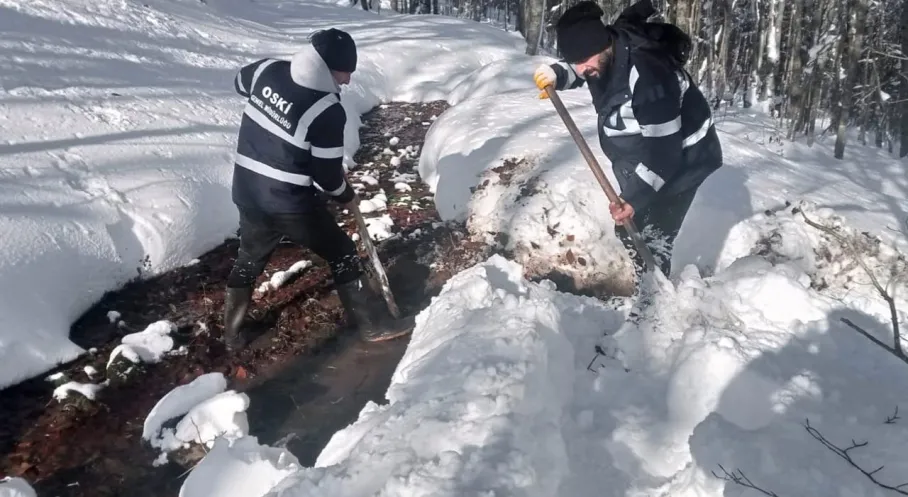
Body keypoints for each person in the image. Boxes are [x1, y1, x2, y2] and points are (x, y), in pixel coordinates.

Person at [224, 28, 413, 349]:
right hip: (289, 204)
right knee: (341, 252)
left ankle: (233, 335)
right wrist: (345, 194)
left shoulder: (267, 70)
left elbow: (240, 82)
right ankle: (371, 326)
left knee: (249, 257)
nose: (347, 81)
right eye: (344, 72)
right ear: (326, 67)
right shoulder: (327, 110)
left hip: (247, 190)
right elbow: (326, 177)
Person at [533, 0, 723, 282]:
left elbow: (664, 154)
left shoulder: (650, 77)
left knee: (650, 237)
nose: (582, 69)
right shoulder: (604, 52)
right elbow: (582, 68)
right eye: (576, 62)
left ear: (603, 46)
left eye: (584, 61)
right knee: (630, 230)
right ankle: (649, 286)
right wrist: (557, 74)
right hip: (641, 151)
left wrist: (633, 198)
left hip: (685, 158)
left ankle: (657, 309)